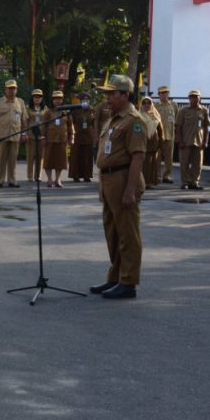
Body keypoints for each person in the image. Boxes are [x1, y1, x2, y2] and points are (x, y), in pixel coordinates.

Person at [89, 75, 146, 299]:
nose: (107, 98)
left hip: (124, 180)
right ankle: (115, 277)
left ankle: (128, 282)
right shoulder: (113, 118)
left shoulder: (134, 121)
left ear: (125, 95)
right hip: (109, 180)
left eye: (111, 94)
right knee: (112, 233)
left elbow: (138, 158)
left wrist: (130, 190)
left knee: (128, 234)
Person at [0, 79, 28, 188]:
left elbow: (24, 119)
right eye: (9, 89)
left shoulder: (20, 102)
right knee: (0, 159)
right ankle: (0, 180)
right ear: (5, 90)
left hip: (15, 134)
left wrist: (24, 134)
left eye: (14, 88)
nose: (12, 91)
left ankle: (12, 180)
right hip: (1, 135)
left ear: (16, 89)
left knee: (13, 160)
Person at [174, 90, 210, 190]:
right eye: (192, 97)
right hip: (186, 141)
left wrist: (206, 141)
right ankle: (185, 182)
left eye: (196, 97)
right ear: (189, 98)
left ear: (200, 98)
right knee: (184, 163)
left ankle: (194, 182)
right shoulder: (183, 110)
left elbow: (206, 127)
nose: (194, 99)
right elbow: (178, 127)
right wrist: (179, 141)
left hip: (199, 141)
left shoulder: (204, 110)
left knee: (198, 164)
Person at [42, 91, 74, 187]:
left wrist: (71, 137)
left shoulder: (66, 112)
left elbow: (70, 126)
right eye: (55, 99)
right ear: (52, 100)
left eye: (59, 99)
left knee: (60, 161)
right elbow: (43, 125)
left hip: (62, 139)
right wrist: (43, 137)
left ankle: (58, 179)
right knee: (48, 160)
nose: (58, 101)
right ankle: (49, 179)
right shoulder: (48, 111)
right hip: (50, 139)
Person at [68, 91, 95, 183]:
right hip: (77, 135)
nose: (85, 101)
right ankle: (75, 175)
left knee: (87, 156)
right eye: (83, 99)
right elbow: (70, 122)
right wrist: (71, 134)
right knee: (76, 156)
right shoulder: (75, 110)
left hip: (88, 136)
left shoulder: (92, 110)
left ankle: (87, 176)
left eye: (87, 99)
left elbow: (94, 123)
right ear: (80, 100)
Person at [138, 96, 164, 188]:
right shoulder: (138, 115)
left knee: (153, 163)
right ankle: (142, 182)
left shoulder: (156, 115)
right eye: (144, 103)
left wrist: (161, 143)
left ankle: (150, 182)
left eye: (149, 103)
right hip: (142, 142)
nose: (146, 105)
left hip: (153, 143)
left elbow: (161, 130)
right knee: (143, 163)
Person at [155, 86, 178, 183]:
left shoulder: (173, 105)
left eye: (166, 92)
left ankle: (166, 176)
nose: (164, 94)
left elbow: (176, 118)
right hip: (158, 136)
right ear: (159, 94)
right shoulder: (155, 106)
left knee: (169, 158)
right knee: (157, 158)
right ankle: (156, 176)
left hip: (170, 135)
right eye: (162, 93)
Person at [26, 89, 46, 183]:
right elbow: (25, 121)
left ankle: (38, 176)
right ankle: (30, 176)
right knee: (30, 156)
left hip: (41, 135)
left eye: (39, 97)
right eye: (35, 97)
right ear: (32, 98)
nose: (37, 99)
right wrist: (24, 133)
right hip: (31, 135)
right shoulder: (28, 108)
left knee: (40, 157)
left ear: (42, 98)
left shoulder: (46, 109)